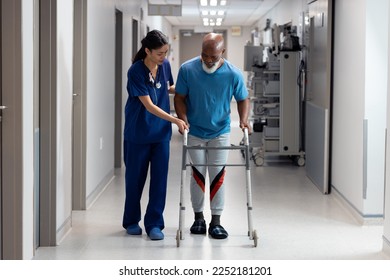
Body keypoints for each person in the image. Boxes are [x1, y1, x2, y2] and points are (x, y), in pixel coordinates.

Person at [174, 32, 250, 239]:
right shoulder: (187, 69)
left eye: (213, 57)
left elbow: (243, 99)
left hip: (220, 131)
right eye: (204, 55)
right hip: (195, 130)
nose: (208, 60)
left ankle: (216, 221)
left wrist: (243, 120)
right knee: (198, 175)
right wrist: (183, 118)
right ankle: (198, 218)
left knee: (217, 175)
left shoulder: (233, 73)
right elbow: (179, 97)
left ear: (222, 52)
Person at [122, 30, 188, 241]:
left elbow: (168, 87)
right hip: (138, 133)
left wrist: (190, 89)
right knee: (135, 180)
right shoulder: (135, 71)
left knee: (160, 180)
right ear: (147, 51)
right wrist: (176, 119)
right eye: (159, 53)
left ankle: (154, 224)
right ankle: (132, 221)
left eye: (166, 53)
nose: (164, 57)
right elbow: (149, 105)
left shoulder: (165, 65)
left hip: (160, 135)